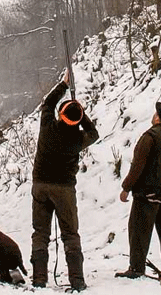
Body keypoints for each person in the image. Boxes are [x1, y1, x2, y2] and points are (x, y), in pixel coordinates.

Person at [31, 68, 99, 292]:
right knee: (70, 234)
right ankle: (77, 281)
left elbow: (48, 103)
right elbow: (94, 133)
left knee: (40, 233)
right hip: (64, 189)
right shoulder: (77, 139)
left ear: (61, 116)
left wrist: (63, 85)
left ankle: (39, 279)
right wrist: (81, 113)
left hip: (40, 185)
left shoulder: (47, 127)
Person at [116, 101, 161, 279]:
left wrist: (126, 188)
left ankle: (136, 269)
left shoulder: (150, 136)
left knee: (139, 231)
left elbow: (138, 165)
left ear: (158, 117)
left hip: (147, 193)